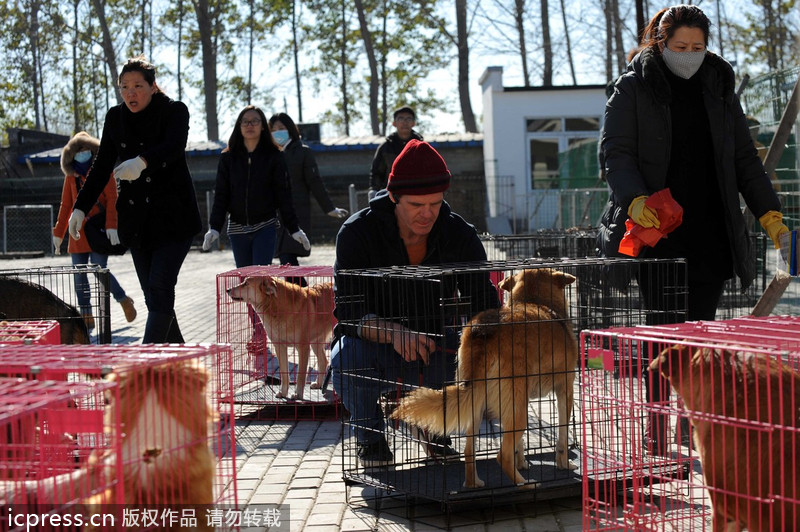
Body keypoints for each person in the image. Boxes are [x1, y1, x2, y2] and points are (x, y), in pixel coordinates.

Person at [597, 5, 789, 454]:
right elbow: (616, 152)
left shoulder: (719, 86)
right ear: (659, 43)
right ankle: (657, 426)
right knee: (663, 334)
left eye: (698, 47)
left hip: (710, 228)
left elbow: (745, 160)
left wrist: (770, 215)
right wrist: (635, 199)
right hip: (656, 230)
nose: (689, 55)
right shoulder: (633, 86)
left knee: (700, 336)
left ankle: (693, 422)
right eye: (680, 47)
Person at [331, 139, 500, 467]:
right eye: (416, 205)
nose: (427, 214)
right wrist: (394, 333)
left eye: (435, 204)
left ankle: (434, 429)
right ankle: (371, 438)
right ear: (393, 197)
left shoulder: (459, 234)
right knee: (345, 358)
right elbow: (348, 312)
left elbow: (482, 302)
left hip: (433, 346)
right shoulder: (357, 233)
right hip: (373, 346)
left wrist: (494, 350)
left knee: (471, 354)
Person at [68, 56, 202, 343]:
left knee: (160, 287)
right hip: (138, 222)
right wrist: (80, 207)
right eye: (124, 86)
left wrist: (142, 162)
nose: (131, 93)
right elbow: (102, 165)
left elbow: (174, 146)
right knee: (154, 296)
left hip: (174, 219)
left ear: (153, 87)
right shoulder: (115, 118)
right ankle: (180, 362)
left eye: (138, 85)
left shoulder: (174, 111)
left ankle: (147, 363)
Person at [203, 106, 310, 363]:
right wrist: (214, 227)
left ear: (262, 126)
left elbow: (283, 195)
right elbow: (222, 196)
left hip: (264, 227)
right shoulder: (228, 158)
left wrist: (294, 228)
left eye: (255, 121)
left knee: (260, 280)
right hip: (238, 229)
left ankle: (265, 332)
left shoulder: (274, 156)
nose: (250, 125)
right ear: (239, 127)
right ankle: (258, 332)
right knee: (247, 283)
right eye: (245, 122)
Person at [53, 131, 137, 331]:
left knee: (100, 270)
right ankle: (86, 314)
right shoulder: (71, 176)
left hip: (98, 230)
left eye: (86, 149)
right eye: (78, 150)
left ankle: (123, 299)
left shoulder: (103, 171)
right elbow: (66, 205)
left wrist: (111, 225)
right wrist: (58, 233)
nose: (82, 153)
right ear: (72, 153)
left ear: (92, 150)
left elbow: (112, 200)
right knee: (79, 275)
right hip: (77, 233)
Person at [267, 112, 348, 270]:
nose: (277, 133)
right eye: (273, 129)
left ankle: (302, 293)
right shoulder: (269, 155)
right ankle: (301, 293)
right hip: (274, 216)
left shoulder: (303, 152)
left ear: (290, 129)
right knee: (284, 258)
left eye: (281, 128)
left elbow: (314, 182)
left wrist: (329, 208)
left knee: (287, 256)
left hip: (296, 213)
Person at [368, 106, 423, 198]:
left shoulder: (421, 146)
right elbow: (377, 173)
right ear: (394, 123)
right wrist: (374, 190)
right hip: (390, 194)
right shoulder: (385, 147)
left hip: (416, 194)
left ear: (413, 123)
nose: (405, 122)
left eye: (408, 118)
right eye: (400, 118)